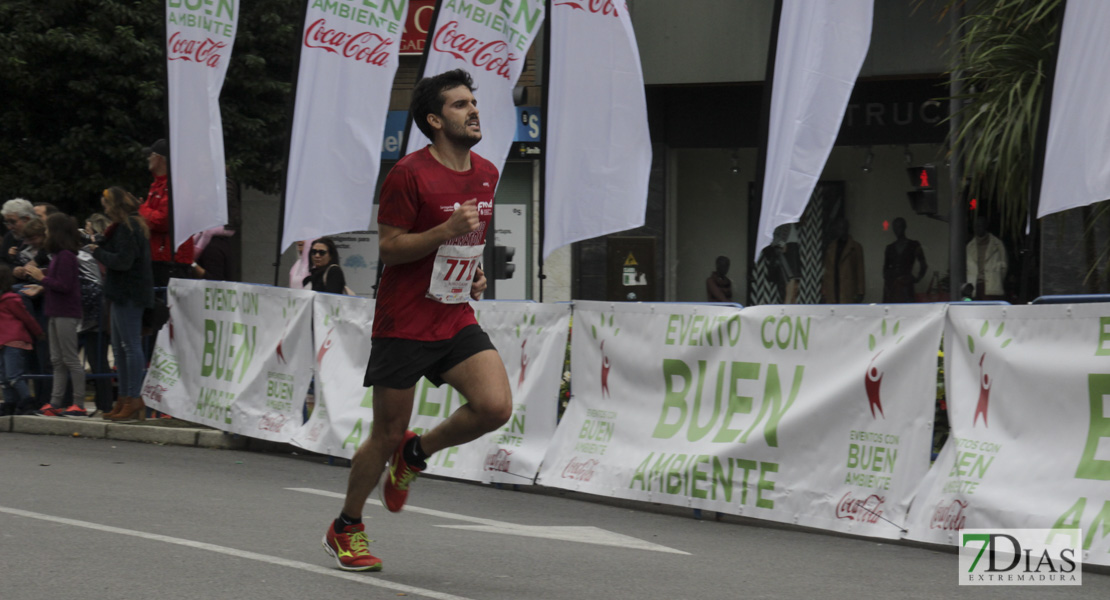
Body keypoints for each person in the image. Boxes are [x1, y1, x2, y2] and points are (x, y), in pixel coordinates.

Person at [322, 69, 512, 573]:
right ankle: (347, 526)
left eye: (474, 102)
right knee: (385, 432)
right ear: (434, 119)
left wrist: (473, 272)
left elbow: (463, 245)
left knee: (494, 406)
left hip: (453, 315)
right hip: (404, 320)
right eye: (459, 105)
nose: (473, 111)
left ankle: (417, 453)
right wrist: (445, 228)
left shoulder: (488, 172)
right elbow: (388, 247)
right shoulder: (408, 174)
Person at [87, 187, 154, 421]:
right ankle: (125, 398)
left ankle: (133, 397)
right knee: (120, 348)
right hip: (120, 294)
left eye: (106, 204)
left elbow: (123, 261)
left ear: (115, 205)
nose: (104, 209)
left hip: (128, 294)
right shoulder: (124, 227)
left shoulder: (129, 227)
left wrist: (98, 252)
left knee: (129, 347)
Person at [20, 213, 85, 416]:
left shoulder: (66, 256)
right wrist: (42, 283)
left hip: (66, 311)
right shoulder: (59, 256)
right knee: (57, 359)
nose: (45, 233)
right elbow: (58, 281)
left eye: (47, 230)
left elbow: (64, 285)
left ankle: (78, 403)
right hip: (56, 311)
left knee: (70, 358)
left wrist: (42, 278)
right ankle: (55, 402)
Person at [139, 139, 195, 286]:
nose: (148, 158)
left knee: (164, 307)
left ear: (158, 158)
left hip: (171, 261)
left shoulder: (175, 186)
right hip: (161, 257)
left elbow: (163, 221)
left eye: (150, 155)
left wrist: (139, 209)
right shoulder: (159, 185)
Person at [0, 264, 44, 416]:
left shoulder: (11, 300)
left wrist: (38, 332)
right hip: (2, 343)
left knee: (13, 376)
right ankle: (9, 403)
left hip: (13, 341)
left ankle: (27, 401)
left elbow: (27, 318)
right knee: (4, 377)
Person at [882, 217, 928, 303]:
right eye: (895, 228)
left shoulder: (914, 245)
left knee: (907, 309)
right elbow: (885, 269)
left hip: (906, 285)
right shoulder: (890, 248)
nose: (897, 230)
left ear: (904, 227)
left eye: (899, 227)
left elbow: (924, 265)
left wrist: (916, 279)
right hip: (892, 286)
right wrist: (889, 280)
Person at [821, 219, 865, 303]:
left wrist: (860, 292)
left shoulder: (855, 247)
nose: (840, 230)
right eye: (838, 228)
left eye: (842, 227)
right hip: (832, 287)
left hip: (848, 288)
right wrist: (824, 291)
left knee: (847, 312)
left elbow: (860, 270)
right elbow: (827, 271)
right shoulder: (831, 248)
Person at [966, 215, 1007, 301]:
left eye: (980, 225)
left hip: (992, 287)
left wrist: (996, 280)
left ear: (985, 226)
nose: (978, 228)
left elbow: (1004, 266)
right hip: (974, 286)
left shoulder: (997, 244)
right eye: (976, 226)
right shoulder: (970, 246)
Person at [1, 198, 37, 267]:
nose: (9, 227)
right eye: (7, 222)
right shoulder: (9, 237)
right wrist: (13, 269)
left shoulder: (42, 237)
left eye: (12, 222)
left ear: (27, 219)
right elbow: (2, 262)